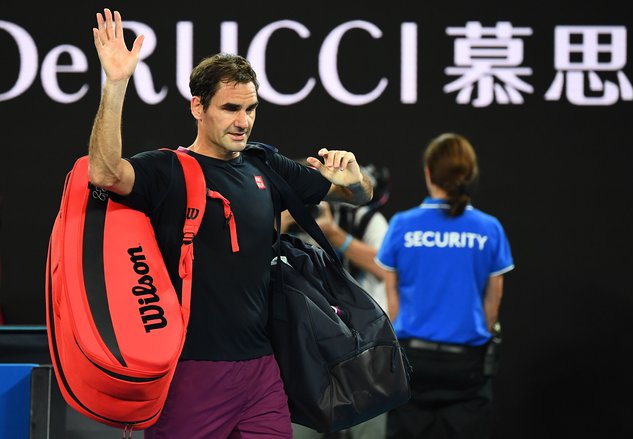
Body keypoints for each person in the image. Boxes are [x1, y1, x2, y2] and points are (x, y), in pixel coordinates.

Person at [88, 9, 372, 439]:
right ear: (198, 107)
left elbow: (355, 194)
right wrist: (115, 83)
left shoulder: (266, 166)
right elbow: (105, 173)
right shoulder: (168, 171)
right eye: (231, 108)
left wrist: (356, 182)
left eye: (251, 108)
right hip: (189, 373)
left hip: (261, 372)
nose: (243, 121)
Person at [375, 133, 514, 439]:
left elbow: (392, 302)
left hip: (413, 362)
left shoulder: (402, 224)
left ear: (428, 172)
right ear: (469, 174)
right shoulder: (489, 229)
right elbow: (494, 299)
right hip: (467, 365)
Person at [286, 164, 391, 439]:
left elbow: (386, 268)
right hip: (304, 352)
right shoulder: (282, 218)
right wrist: (282, 219)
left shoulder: (364, 220)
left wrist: (333, 233)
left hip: (361, 346)